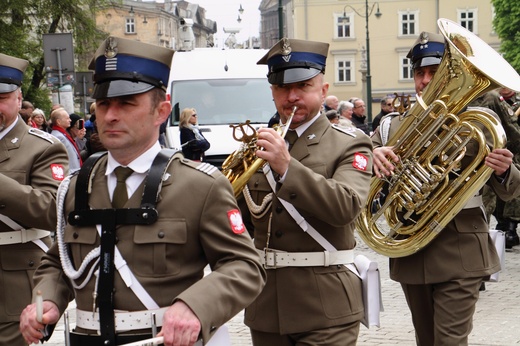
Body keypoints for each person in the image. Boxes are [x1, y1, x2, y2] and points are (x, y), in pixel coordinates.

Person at [19, 35, 265, 346]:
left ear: (161, 112)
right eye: (104, 104)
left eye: (127, 103)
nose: (110, 115)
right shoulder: (76, 186)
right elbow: (59, 261)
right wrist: (49, 300)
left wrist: (196, 306)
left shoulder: (200, 185)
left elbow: (245, 265)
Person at [371, 31, 520, 345]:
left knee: (449, 340)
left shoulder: (478, 125)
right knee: (426, 339)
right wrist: (372, 159)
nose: (425, 80)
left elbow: (509, 192)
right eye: (419, 73)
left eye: (433, 72)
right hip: (411, 249)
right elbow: (357, 175)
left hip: (461, 248)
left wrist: (505, 171)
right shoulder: (390, 126)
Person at [242, 38, 373, 346]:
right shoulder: (255, 146)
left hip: (326, 306)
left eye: (303, 86)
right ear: (272, 91)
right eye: (282, 88)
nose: (292, 96)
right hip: (266, 305)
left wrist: (287, 167)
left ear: (323, 90)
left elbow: (347, 206)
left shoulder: (349, 142)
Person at [0, 53, 68, 346]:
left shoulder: (42, 148)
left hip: (14, 286)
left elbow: (53, 210)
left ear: (18, 99)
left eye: (1, 97)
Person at [469, 88, 520, 248]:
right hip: (491, 160)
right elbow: (515, 134)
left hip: (478, 163)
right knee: (484, 209)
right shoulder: (492, 97)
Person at [50, 107, 83, 173]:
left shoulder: (63, 134)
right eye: (67, 118)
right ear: (59, 121)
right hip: (70, 173)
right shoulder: (58, 136)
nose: (70, 120)